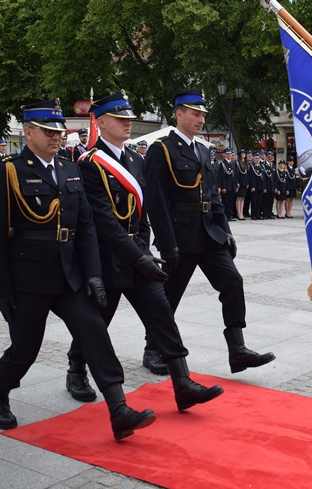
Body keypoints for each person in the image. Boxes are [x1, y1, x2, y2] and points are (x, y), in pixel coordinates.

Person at [0, 99, 156, 441]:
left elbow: (86, 227)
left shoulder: (69, 168)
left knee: (94, 332)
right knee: (24, 349)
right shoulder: (10, 171)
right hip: (28, 278)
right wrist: (0, 289)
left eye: (59, 131)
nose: (56, 137)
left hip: (69, 275)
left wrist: (93, 274)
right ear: (28, 132)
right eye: (48, 131)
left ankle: (119, 409)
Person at [64, 90, 223, 410]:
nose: (127, 125)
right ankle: (76, 369)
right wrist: (139, 257)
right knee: (99, 320)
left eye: (129, 119)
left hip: (136, 254)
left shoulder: (135, 160)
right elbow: (103, 221)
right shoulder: (89, 164)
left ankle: (182, 382)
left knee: (161, 313)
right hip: (107, 259)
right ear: (102, 122)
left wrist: (145, 248)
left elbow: (142, 213)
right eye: (121, 120)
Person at [144, 89, 276, 374]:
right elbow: (155, 201)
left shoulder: (203, 150)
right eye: (195, 113)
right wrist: (167, 244)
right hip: (180, 237)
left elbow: (212, 196)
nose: (201, 118)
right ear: (179, 114)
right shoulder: (161, 149)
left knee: (233, 282)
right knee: (169, 295)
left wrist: (226, 232)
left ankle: (237, 349)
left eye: (203, 114)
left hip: (209, 234)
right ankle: (153, 349)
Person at [235, 149, 248, 220]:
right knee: (239, 198)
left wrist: (247, 182)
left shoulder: (245, 163)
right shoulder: (237, 163)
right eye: (242, 153)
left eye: (244, 153)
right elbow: (236, 174)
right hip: (240, 182)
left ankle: (241, 212)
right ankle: (238, 213)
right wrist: (237, 182)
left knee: (242, 198)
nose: (243, 155)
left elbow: (246, 174)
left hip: (244, 182)